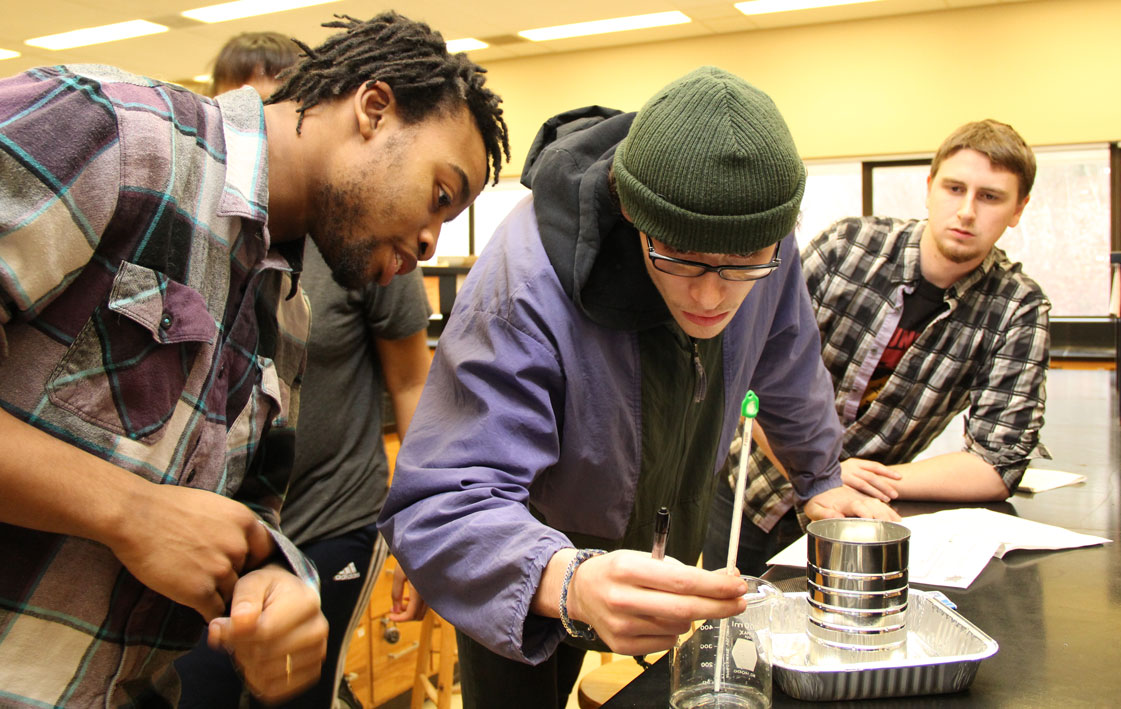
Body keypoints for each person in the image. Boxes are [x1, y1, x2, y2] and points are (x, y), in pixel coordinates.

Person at [0, 11, 508, 707]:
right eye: (440, 195)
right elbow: (151, 517)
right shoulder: (114, 133)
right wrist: (130, 510)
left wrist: (268, 585)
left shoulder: (285, 309)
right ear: (374, 108)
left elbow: (238, 519)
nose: (428, 241)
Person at [378, 66, 896, 709]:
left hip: (669, 538)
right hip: (524, 570)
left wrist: (821, 478)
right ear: (631, 209)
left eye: (742, 268)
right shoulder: (523, 280)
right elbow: (443, 500)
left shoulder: (763, 234)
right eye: (681, 259)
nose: (711, 298)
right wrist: (564, 581)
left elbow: (787, 357)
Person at [174, 30, 440, 709]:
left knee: (292, 697)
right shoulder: (204, 217)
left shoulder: (367, 233)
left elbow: (412, 382)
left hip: (328, 518)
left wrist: (418, 525)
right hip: (212, 533)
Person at [703, 119, 1051, 576]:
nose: (967, 211)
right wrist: (820, 470)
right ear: (929, 187)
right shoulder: (848, 247)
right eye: (954, 188)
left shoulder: (1017, 308)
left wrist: (842, 476)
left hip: (862, 518)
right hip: (749, 493)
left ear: (1018, 209)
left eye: (990, 197)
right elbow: (746, 367)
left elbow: (995, 464)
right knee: (731, 634)